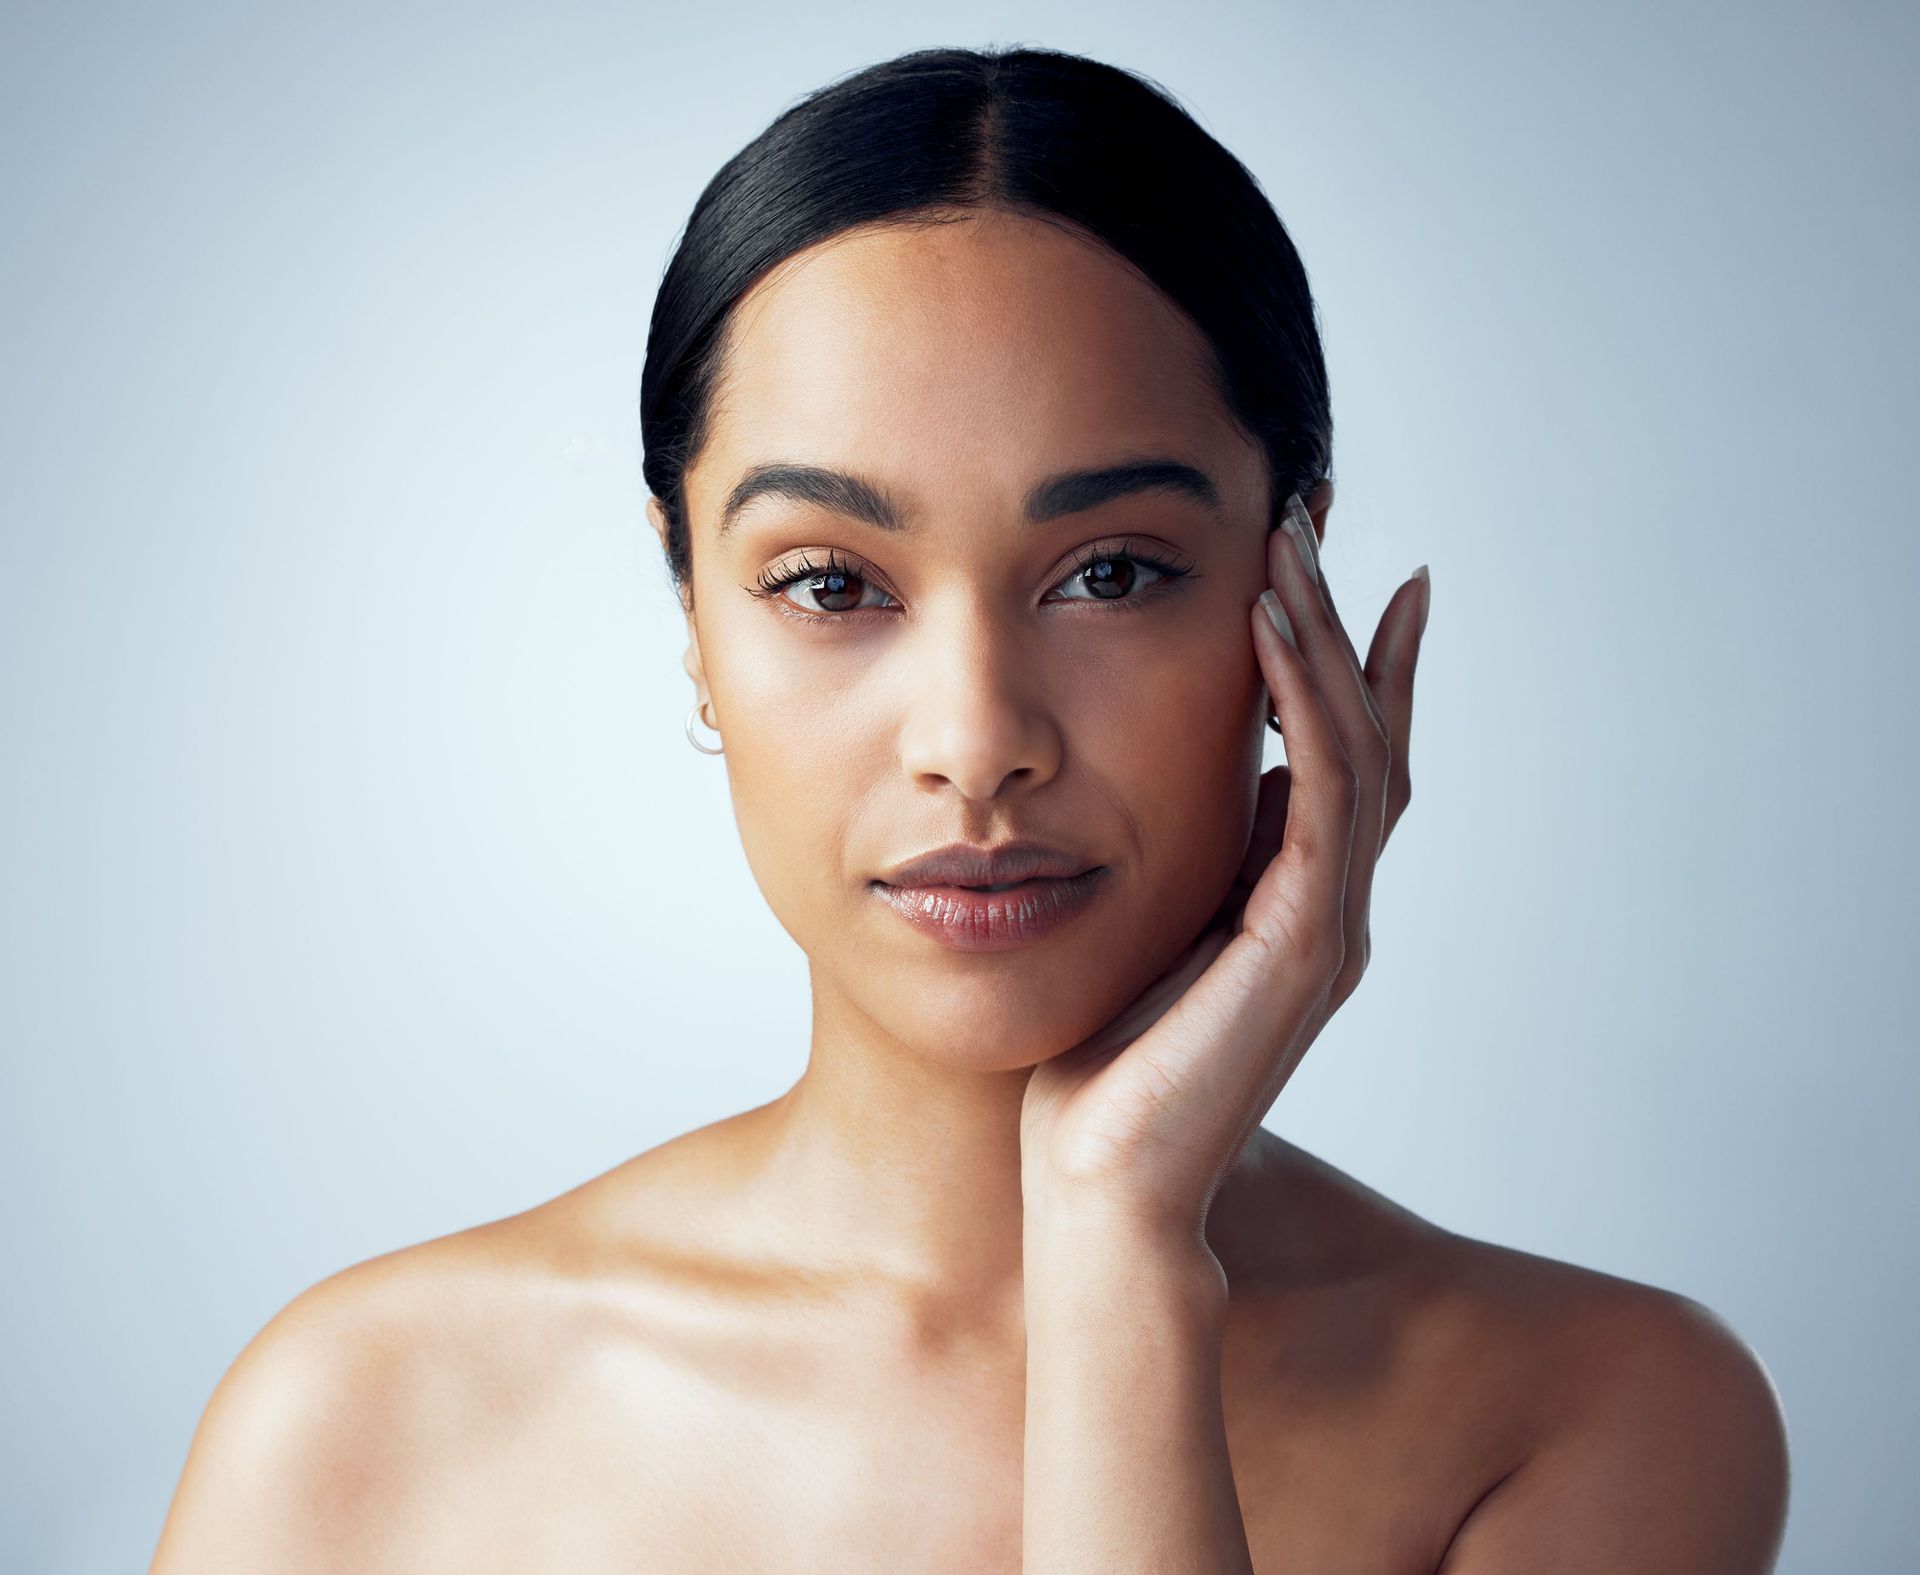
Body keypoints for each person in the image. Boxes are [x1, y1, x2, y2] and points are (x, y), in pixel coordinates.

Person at [150, 44, 1789, 1572]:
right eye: (829, 583)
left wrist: (1120, 1251)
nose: (977, 739)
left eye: (1111, 572)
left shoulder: (1596, 1416)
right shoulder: (358, 1428)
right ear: (693, 622)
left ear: (1293, 582)